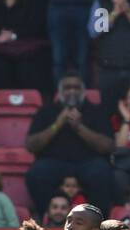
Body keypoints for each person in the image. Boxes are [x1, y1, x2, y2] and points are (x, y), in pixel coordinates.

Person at [24, 72, 115, 213]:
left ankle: (98, 221)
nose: (72, 91)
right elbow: (31, 145)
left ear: (83, 91)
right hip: (54, 162)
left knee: (102, 173)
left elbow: (108, 146)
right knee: (36, 174)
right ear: (60, 92)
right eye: (67, 88)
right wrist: (57, 124)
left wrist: (79, 127)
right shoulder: (46, 111)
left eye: (76, 87)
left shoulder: (96, 111)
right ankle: (47, 218)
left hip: (88, 162)